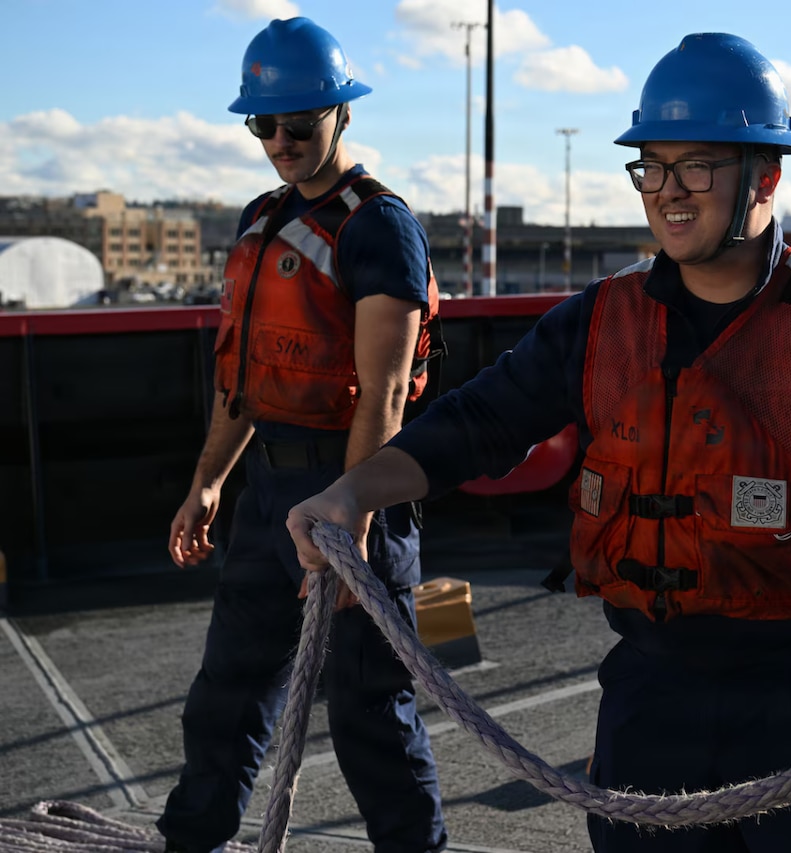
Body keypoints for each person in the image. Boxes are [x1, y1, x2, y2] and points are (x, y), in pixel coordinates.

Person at [287, 31, 791, 853]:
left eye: (697, 167)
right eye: (652, 167)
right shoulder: (601, 319)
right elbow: (481, 420)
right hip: (652, 696)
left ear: (766, 176)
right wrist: (352, 492)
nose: (669, 192)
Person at [159, 17, 447, 853]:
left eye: (299, 124)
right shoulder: (260, 221)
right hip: (267, 500)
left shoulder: (379, 227)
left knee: (370, 718)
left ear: (342, 116)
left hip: (352, 490)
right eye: (264, 125)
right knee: (226, 696)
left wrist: (349, 523)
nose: (280, 142)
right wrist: (208, 481)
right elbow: (246, 381)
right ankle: (192, 842)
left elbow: (385, 390)